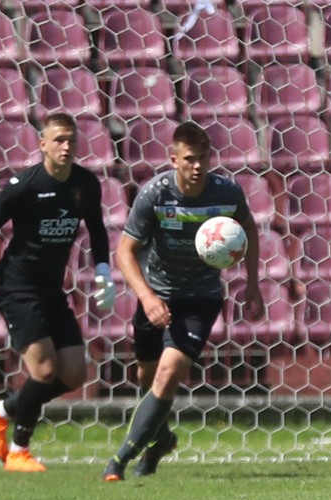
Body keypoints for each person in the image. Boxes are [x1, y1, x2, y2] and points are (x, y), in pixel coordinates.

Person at [0, 113, 115, 472]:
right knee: (44, 368)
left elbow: (97, 229)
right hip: (17, 287)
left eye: (71, 140)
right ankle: (19, 451)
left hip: (52, 288)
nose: (66, 146)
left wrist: (103, 271)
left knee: (74, 375)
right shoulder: (25, 185)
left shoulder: (85, 184)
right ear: (43, 145)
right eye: (58, 140)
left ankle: (0, 412)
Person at [102, 121, 263, 481]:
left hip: (200, 298)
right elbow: (125, 252)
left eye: (203, 158)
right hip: (156, 294)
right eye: (189, 159)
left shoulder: (226, 193)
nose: (197, 166)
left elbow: (248, 226)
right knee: (147, 377)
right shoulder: (155, 194)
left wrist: (252, 283)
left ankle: (119, 459)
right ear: (173, 158)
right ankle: (161, 440)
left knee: (168, 372)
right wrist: (146, 297)